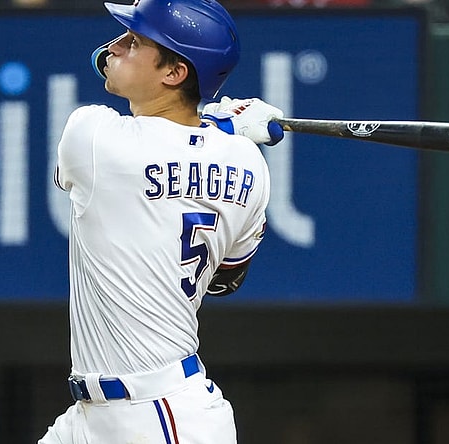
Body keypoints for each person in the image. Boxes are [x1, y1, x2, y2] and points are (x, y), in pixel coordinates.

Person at [41, 0, 284, 442]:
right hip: (96, 418)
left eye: (134, 42)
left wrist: (221, 122)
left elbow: (151, 143)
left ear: (175, 73)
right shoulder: (250, 163)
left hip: (159, 416)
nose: (114, 47)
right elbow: (226, 281)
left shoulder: (92, 135)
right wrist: (221, 130)